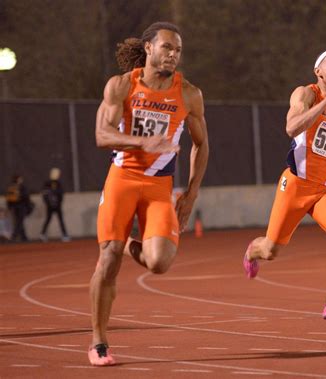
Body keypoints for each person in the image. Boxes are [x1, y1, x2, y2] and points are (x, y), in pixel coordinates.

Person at [89, 21, 209, 366]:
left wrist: (192, 193)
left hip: (160, 187)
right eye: (167, 47)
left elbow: (202, 145)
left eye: (178, 50)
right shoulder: (122, 85)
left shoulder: (188, 93)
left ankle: (128, 243)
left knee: (159, 263)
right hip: (123, 179)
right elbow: (103, 135)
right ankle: (99, 342)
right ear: (149, 48)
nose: (173, 55)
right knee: (107, 259)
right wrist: (143, 142)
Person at [243, 48, 326, 321]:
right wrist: (325, 102)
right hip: (297, 184)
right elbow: (291, 127)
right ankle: (252, 251)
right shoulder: (306, 94)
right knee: (271, 250)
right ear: (318, 71)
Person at [40, 168, 70, 242]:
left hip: (55, 205)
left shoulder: (54, 183)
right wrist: (50, 203)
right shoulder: (50, 183)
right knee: (52, 219)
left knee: (58, 220)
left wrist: (56, 202)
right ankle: (43, 234)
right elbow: (46, 194)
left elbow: (60, 194)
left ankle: (64, 234)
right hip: (52, 206)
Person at [5, 175, 32, 242]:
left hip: (15, 207)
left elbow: (8, 199)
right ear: (18, 179)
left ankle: (24, 237)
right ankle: (13, 236)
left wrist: (9, 207)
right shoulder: (22, 187)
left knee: (20, 222)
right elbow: (26, 198)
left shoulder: (11, 187)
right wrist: (29, 207)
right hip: (21, 207)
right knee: (19, 222)